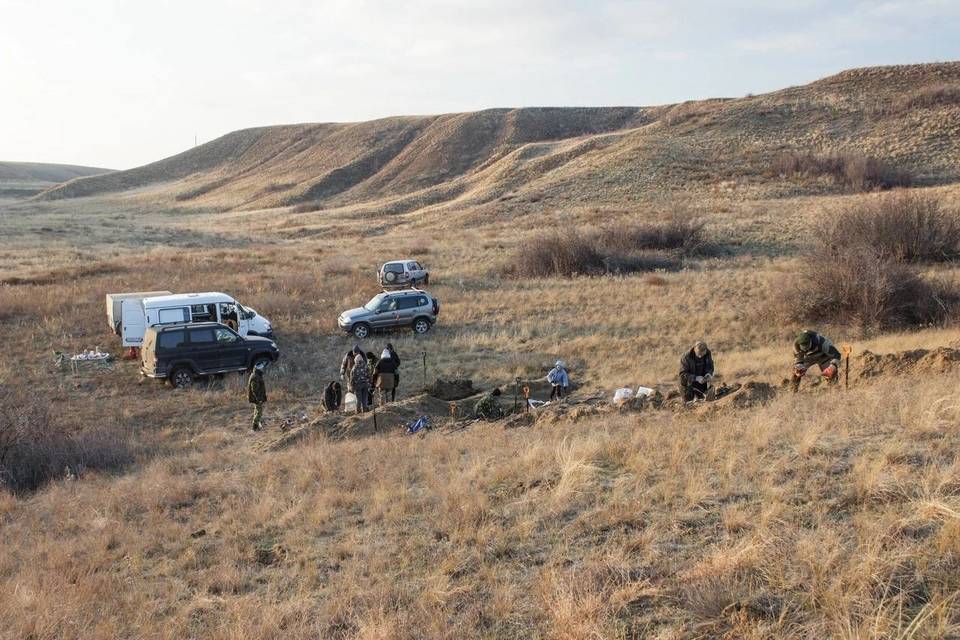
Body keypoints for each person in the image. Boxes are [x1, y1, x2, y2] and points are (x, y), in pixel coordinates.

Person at [247, 360, 267, 431]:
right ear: (259, 369)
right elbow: (255, 390)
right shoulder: (255, 377)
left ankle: (256, 425)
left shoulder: (257, 375)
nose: (262, 369)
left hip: (257, 398)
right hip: (257, 398)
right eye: (261, 368)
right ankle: (254, 428)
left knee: (257, 411)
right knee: (259, 412)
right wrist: (259, 399)